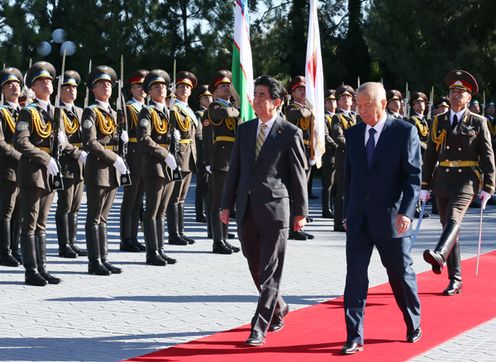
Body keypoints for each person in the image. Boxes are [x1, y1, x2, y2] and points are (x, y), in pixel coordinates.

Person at [220, 75, 308, 346]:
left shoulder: (290, 132)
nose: (255, 99)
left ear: (276, 102)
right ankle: (279, 305)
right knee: (254, 263)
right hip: (246, 208)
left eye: (261, 95)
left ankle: (260, 324)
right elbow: (235, 170)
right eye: (255, 94)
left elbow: (298, 174)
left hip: (275, 210)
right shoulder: (245, 130)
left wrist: (300, 211)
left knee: (270, 269)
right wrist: (225, 204)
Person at [341, 82, 422, 354]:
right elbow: (348, 178)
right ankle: (354, 335)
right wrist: (345, 213)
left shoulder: (404, 132)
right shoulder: (352, 134)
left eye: (366, 105)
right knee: (354, 278)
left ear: (383, 103)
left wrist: (407, 212)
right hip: (358, 220)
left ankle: (413, 322)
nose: (361, 110)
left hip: (392, 219)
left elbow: (413, 178)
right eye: (358, 105)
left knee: (399, 274)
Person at [421, 70, 495, 296]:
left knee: (454, 217)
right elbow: (431, 155)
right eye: (452, 92)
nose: (455, 96)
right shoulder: (438, 121)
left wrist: (489, 187)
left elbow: (487, 155)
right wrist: (424, 185)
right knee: (449, 227)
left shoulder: (478, 122)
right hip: (442, 179)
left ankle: (440, 254)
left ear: (468, 99)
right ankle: (456, 279)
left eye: (460, 93)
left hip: (466, 179)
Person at [15, 61, 74, 286]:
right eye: (42, 81)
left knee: (42, 223)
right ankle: (31, 271)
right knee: (30, 222)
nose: (47, 83)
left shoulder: (55, 111)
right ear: (33, 87)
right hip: (32, 172)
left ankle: (43, 267)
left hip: (49, 174)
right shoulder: (28, 112)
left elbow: (60, 141)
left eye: (49, 80)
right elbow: (20, 142)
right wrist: (45, 158)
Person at [82, 65, 128, 276]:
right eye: (101, 83)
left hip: (112, 169)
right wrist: (114, 157)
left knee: (104, 217)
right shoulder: (91, 111)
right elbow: (90, 142)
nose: (106, 86)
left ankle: (104, 258)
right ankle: (94, 261)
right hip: (99, 168)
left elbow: (113, 138)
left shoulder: (113, 112)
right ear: (93, 89)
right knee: (94, 216)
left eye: (109, 83)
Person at [137, 69, 178, 266]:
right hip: (155, 165)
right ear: (149, 92)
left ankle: (160, 249)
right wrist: (165, 154)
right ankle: (151, 252)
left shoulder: (168, 111)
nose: (161, 88)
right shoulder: (147, 111)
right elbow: (144, 138)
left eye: (163, 85)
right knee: (152, 211)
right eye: (156, 86)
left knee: (162, 210)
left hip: (169, 166)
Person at [203, 70, 241, 255]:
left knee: (227, 202)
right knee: (219, 201)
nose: (226, 87)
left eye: (228, 85)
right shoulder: (215, 106)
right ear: (215, 91)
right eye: (222, 86)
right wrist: (239, 108)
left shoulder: (232, 107)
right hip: (221, 158)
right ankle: (217, 241)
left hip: (233, 157)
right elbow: (224, 114)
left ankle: (224, 238)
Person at [55, 70, 88, 258]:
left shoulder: (80, 111)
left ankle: (73, 242)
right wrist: (78, 154)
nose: (72, 91)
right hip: (66, 163)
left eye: (74, 87)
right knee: (65, 205)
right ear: (59, 91)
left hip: (80, 166)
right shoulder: (56, 111)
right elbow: (62, 141)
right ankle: (64, 244)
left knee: (76, 205)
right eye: (67, 87)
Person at [167, 71, 198, 246]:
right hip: (179, 154)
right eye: (181, 86)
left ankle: (180, 231)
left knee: (182, 198)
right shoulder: (174, 107)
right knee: (175, 196)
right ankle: (173, 233)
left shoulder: (188, 109)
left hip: (189, 155)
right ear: (175, 90)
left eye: (188, 87)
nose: (185, 89)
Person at [120, 69, 148, 253]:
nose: (141, 89)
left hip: (146, 159)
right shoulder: (128, 108)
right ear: (131, 89)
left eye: (144, 86)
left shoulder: (149, 109)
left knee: (138, 201)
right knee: (129, 201)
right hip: (133, 155)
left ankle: (134, 237)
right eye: (138, 86)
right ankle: (126, 238)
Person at [284, 76, 314, 240]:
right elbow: (300, 114)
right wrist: (312, 107)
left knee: (302, 192)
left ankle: (299, 226)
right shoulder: (291, 109)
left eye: (304, 89)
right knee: (295, 191)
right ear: (293, 93)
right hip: (296, 150)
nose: (303, 92)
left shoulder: (307, 108)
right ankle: (290, 227)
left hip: (307, 150)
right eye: (299, 90)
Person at [0, 67, 23, 266]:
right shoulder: (1, 112)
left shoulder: (26, 111)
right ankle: (4, 251)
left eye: (16, 83)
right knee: (6, 211)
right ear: (3, 91)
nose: (14, 86)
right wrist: (22, 157)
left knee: (20, 212)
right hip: (7, 168)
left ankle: (15, 248)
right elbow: (1, 143)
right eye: (9, 84)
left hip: (25, 170)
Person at [331, 84, 357, 232]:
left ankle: (349, 219)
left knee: (352, 191)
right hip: (343, 157)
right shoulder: (337, 117)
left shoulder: (355, 116)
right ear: (338, 102)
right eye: (342, 97)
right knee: (341, 192)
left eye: (348, 97)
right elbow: (338, 137)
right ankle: (339, 222)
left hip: (355, 159)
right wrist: (355, 146)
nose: (346, 99)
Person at [194, 85, 212, 224]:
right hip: (202, 151)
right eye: (205, 97)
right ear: (200, 100)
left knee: (209, 185)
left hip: (212, 151)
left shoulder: (213, 113)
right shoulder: (199, 114)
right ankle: (200, 212)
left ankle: (207, 210)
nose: (209, 99)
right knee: (202, 184)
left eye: (210, 96)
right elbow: (199, 136)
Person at [322, 89, 338, 218]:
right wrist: (338, 146)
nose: (332, 103)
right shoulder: (325, 117)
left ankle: (336, 207)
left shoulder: (339, 117)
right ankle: (326, 208)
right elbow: (325, 135)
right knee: (328, 184)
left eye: (333, 100)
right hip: (330, 154)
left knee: (339, 184)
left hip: (340, 155)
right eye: (329, 101)